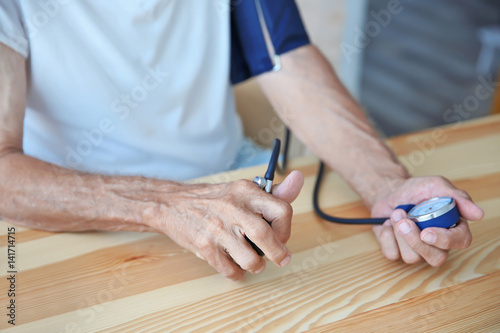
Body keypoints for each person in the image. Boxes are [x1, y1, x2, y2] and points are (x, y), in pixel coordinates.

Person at [0, 0, 483, 280]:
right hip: (67, 209)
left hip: (227, 174)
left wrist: (385, 184)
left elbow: (288, 61)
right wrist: (166, 205)